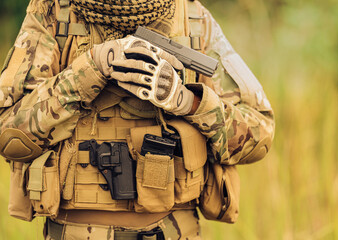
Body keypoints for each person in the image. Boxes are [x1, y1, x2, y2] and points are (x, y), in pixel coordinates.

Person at [0, 0, 275, 239]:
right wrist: (91, 69)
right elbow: (8, 132)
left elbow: (259, 135)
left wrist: (186, 101)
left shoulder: (193, 18)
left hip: (175, 231)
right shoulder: (53, 14)